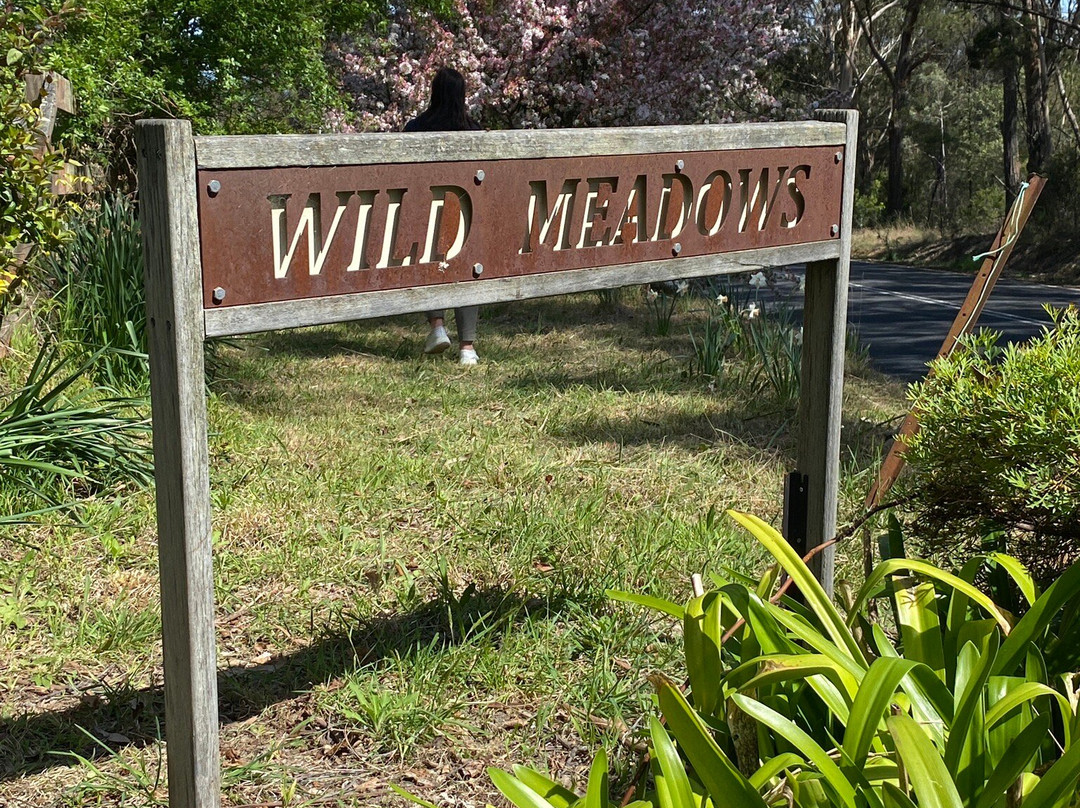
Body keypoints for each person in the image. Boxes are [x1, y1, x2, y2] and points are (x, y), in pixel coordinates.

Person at [404, 67, 482, 365]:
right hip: (465, 211)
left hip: (427, 210)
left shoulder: (416, 128)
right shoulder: (472, 130)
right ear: (462, 95)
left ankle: (437, 326)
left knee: (430, 265)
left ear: (433, 93)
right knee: (469, 274)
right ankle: (467, 348)